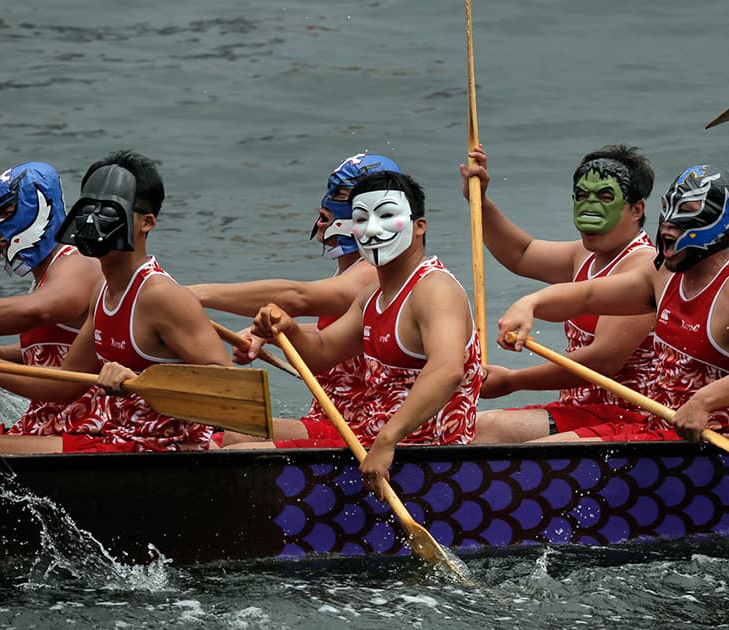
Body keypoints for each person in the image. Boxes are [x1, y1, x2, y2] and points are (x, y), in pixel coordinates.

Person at [498, 165, 729, 443]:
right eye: (667, 210)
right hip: (654, 431)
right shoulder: (663, 275)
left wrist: (704, 401)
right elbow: (588, 296)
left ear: (720, 221)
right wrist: (531, 303)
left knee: (541, 459)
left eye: (685, 211)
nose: (668, 227)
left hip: (716, 448)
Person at [245, 170, 482, 499]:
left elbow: (447, 370)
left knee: (229, 449)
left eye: (386, 216)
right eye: (362, 219)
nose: (372, 229)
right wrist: (290, 329)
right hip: (368, 440)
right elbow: (322, 352)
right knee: (230, 440)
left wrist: (387, 441)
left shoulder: (434, 289)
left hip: (423, 458)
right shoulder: (373, 295)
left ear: (419, 227)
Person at [0, 150, 233, 454]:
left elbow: (230, 394)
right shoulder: (102, 291)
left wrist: (141, 381)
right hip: (111, 435)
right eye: (90, 209)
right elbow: (62, 386)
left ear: (147, 223)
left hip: (164, 448)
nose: (93, 222)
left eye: (110, 212)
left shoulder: (161, 296)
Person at [188, 153, 398, 445]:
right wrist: (273, 334)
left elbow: (297, 297)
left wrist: (195, 296)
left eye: (342, 194)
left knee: (226, 439)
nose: (327, 203)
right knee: (214, 430)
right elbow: (345, 339)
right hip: (332, 420)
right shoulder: (351, 272)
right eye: (331, 190)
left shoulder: (372, 274)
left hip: (361, 430)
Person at [458, 144, 658, 443]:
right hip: (582, 410)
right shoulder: (584, 255)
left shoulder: (644, 267)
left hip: (634, 416)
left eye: (605, 197)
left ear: (636, 209)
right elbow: (521, 253)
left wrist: (512, 381)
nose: (590, 206)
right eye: (581, 196)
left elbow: (603, 361)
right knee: (472, 430)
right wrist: (480, 200)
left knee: (528, 457)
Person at [0, 162, 107, 436]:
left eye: (8, 213)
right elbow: (57, 345)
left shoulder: (77, 263)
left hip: (88, 426)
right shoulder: (47, 277)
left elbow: (37, 313)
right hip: (48, 421)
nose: (1, 236)